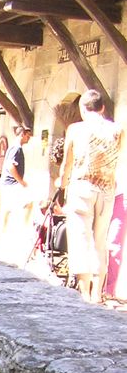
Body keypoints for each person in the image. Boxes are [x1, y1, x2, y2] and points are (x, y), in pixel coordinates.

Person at [56, 89, 124, 304]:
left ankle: (85, 293)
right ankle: (98, 293)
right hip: (107, 189)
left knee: (80, 238)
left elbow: (67, 163)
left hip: (82, 186)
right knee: (100, 241)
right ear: (102, 108)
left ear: (83, 109)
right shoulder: (118, 130)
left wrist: (62, 184)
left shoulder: (76, 129)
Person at [0, 124, 34, 254]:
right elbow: (11, 166)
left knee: (8, 210)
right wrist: (21, 181)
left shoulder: (14, 148)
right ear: (22, 134)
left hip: (9, 184)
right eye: (27, 135)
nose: (29, 138)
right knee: (26, 205)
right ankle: (17, 235)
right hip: (11, 184)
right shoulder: (16, 148)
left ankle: (1, 236)